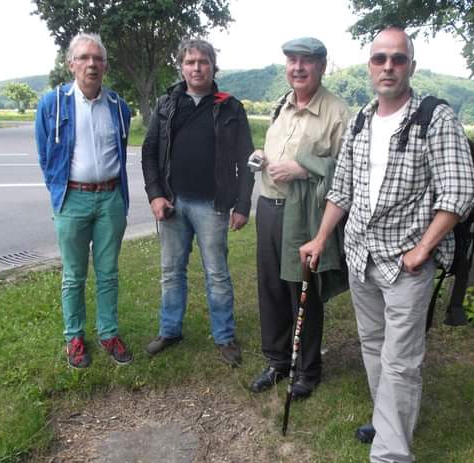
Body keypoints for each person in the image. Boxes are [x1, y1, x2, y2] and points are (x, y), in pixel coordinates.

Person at [300, 27, 474, 463]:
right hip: (361, 255)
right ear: (369, 65)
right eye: (379, 58)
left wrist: (423, 250)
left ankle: (393, 461)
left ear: (411, 68)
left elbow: (459, 192)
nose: (388, 66)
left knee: (401, 362)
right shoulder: (360, 120)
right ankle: (385, 422)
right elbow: (342, 189)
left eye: (398, 59)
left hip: (406, 264)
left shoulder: (434, 119)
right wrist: (320, 237)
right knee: (374, 347)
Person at [141, 38, 254, 367]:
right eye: (190, 62)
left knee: (217, 274)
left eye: (203, 62)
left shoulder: (229, 106)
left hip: (214, 205)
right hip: (173, 203)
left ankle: (224, 335)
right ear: (181, 66)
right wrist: (155, 194)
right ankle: (170, 330)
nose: (196, 68)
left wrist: (243, 204)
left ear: (212, 66)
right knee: (171, 272)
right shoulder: (167, 105)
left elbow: (247, 158)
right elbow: (149, 152)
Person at [248, 37, 351, 399]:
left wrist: (303, 169)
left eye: (306, 61)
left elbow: (347, 171)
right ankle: (277, 362)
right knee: (272, 289)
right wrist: (264, 155)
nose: (298, 67)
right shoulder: (283, 105)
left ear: (322, 66)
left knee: (302, 291)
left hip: (304, 215)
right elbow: (280, 152)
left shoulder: (337, 113)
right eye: (292, 60)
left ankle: (307, 370)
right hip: (269, 207)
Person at [36, 33, 132, 369]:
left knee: (108, 273)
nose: (92, 64)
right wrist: (59, 192)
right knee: (74, 275)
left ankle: (108, 333)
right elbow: (46, 155)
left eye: (98, 58)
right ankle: (74, 337)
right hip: (72, 199)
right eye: (84, 58)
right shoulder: (53, 104)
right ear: (71, 64)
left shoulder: (119, 107)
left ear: (105, 65)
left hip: (110, 199)